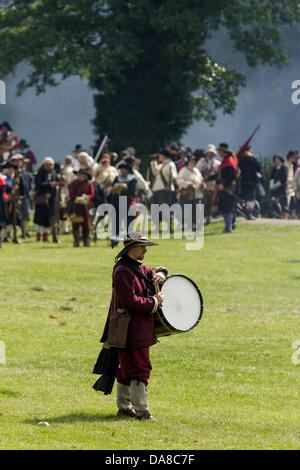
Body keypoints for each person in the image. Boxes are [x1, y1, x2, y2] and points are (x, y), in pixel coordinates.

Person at [96, 232, 167, 420]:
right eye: (142, 246)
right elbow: (130, 301)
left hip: (132, 327)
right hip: (129, 327)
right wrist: (154, 301)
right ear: (131, 248)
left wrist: (160, 273)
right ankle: (142, 411)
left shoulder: (135, 267)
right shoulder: (123, 271)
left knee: (128, 368)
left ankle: (124, 407)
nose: (145, 250)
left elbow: (151, 272)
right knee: (139, 368)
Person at [110, 162, 137, 248]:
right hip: (117, 202)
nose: (122, 171)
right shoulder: (117, 178)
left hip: (127, 202)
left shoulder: (133, 180)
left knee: (128, 222)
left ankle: (129, 239)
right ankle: (115, 239)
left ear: (128, 171)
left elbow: (132, 192)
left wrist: (122, 189)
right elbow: (112, 188)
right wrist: (116, 187)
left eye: (124, 169)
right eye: (121, 169)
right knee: (116, 221)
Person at [33, 157, 60, 242]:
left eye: (50, 165)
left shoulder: (54, 173)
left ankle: (45, 237)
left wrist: (61, 179)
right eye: (47, 164)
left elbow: (58, 181)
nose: (48, 166)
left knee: (48, 218)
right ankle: (38, 236)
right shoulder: (40, 173)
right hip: (41, 199)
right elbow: (38, 184)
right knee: (40, 218)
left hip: (51, 199)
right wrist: (50, 185)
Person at [68, 168, 95, 247]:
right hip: (76, 205)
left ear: (84, 175)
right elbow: (71, 193)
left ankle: (86, 241)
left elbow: (92, 194)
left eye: (81, 174)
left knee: (86, 224)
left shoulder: (89, 183)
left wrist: (86, 197)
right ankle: (76, 241)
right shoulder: (74, 183)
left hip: (86, 205)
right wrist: (77, 198)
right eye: (78, 174)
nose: (79, 176)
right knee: (75, 223)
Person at [177, 154, 205, 229]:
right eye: (191, 161)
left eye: (194, 161)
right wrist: (188, 184)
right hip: (187, 193)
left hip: (197, 193)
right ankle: (183, 225)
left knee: (196, 211)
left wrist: (202, 184)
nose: (193, 162)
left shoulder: (196, 170)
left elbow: (200, 179)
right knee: (185, 211)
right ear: (188, 162)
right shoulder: (183, 170)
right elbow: (179, 180)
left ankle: (194, 225)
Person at [196, 144, 220, 225]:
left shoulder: (217, 163)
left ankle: (208, 219)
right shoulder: (201, 162)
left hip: (212, 186)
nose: (211, 154)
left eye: (212, 153)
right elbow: (197, 172)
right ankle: (200, 219)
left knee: (210, 203)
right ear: (207, 153)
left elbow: (218, 174)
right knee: (202, 203)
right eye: (210, 152)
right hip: (202, 185)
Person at [216, 148, 238, 233]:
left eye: (220, 151)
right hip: (223, 188)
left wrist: (223, 185)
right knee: (224, 207)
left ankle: (229, 227)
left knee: (228, 208)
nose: (218, 153)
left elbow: (232, 176)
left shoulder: (229, 161)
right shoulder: (225, 161)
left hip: (228, 188)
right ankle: (227, 227)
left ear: (224, 153)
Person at [238, 147, 262, 220]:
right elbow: (259, 168)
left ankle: (246, 212)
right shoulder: (253, 159)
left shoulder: (240, 159)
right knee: (251, 198)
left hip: (243, 181)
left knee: (245, 198)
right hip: (252, 181)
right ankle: (249, 213)